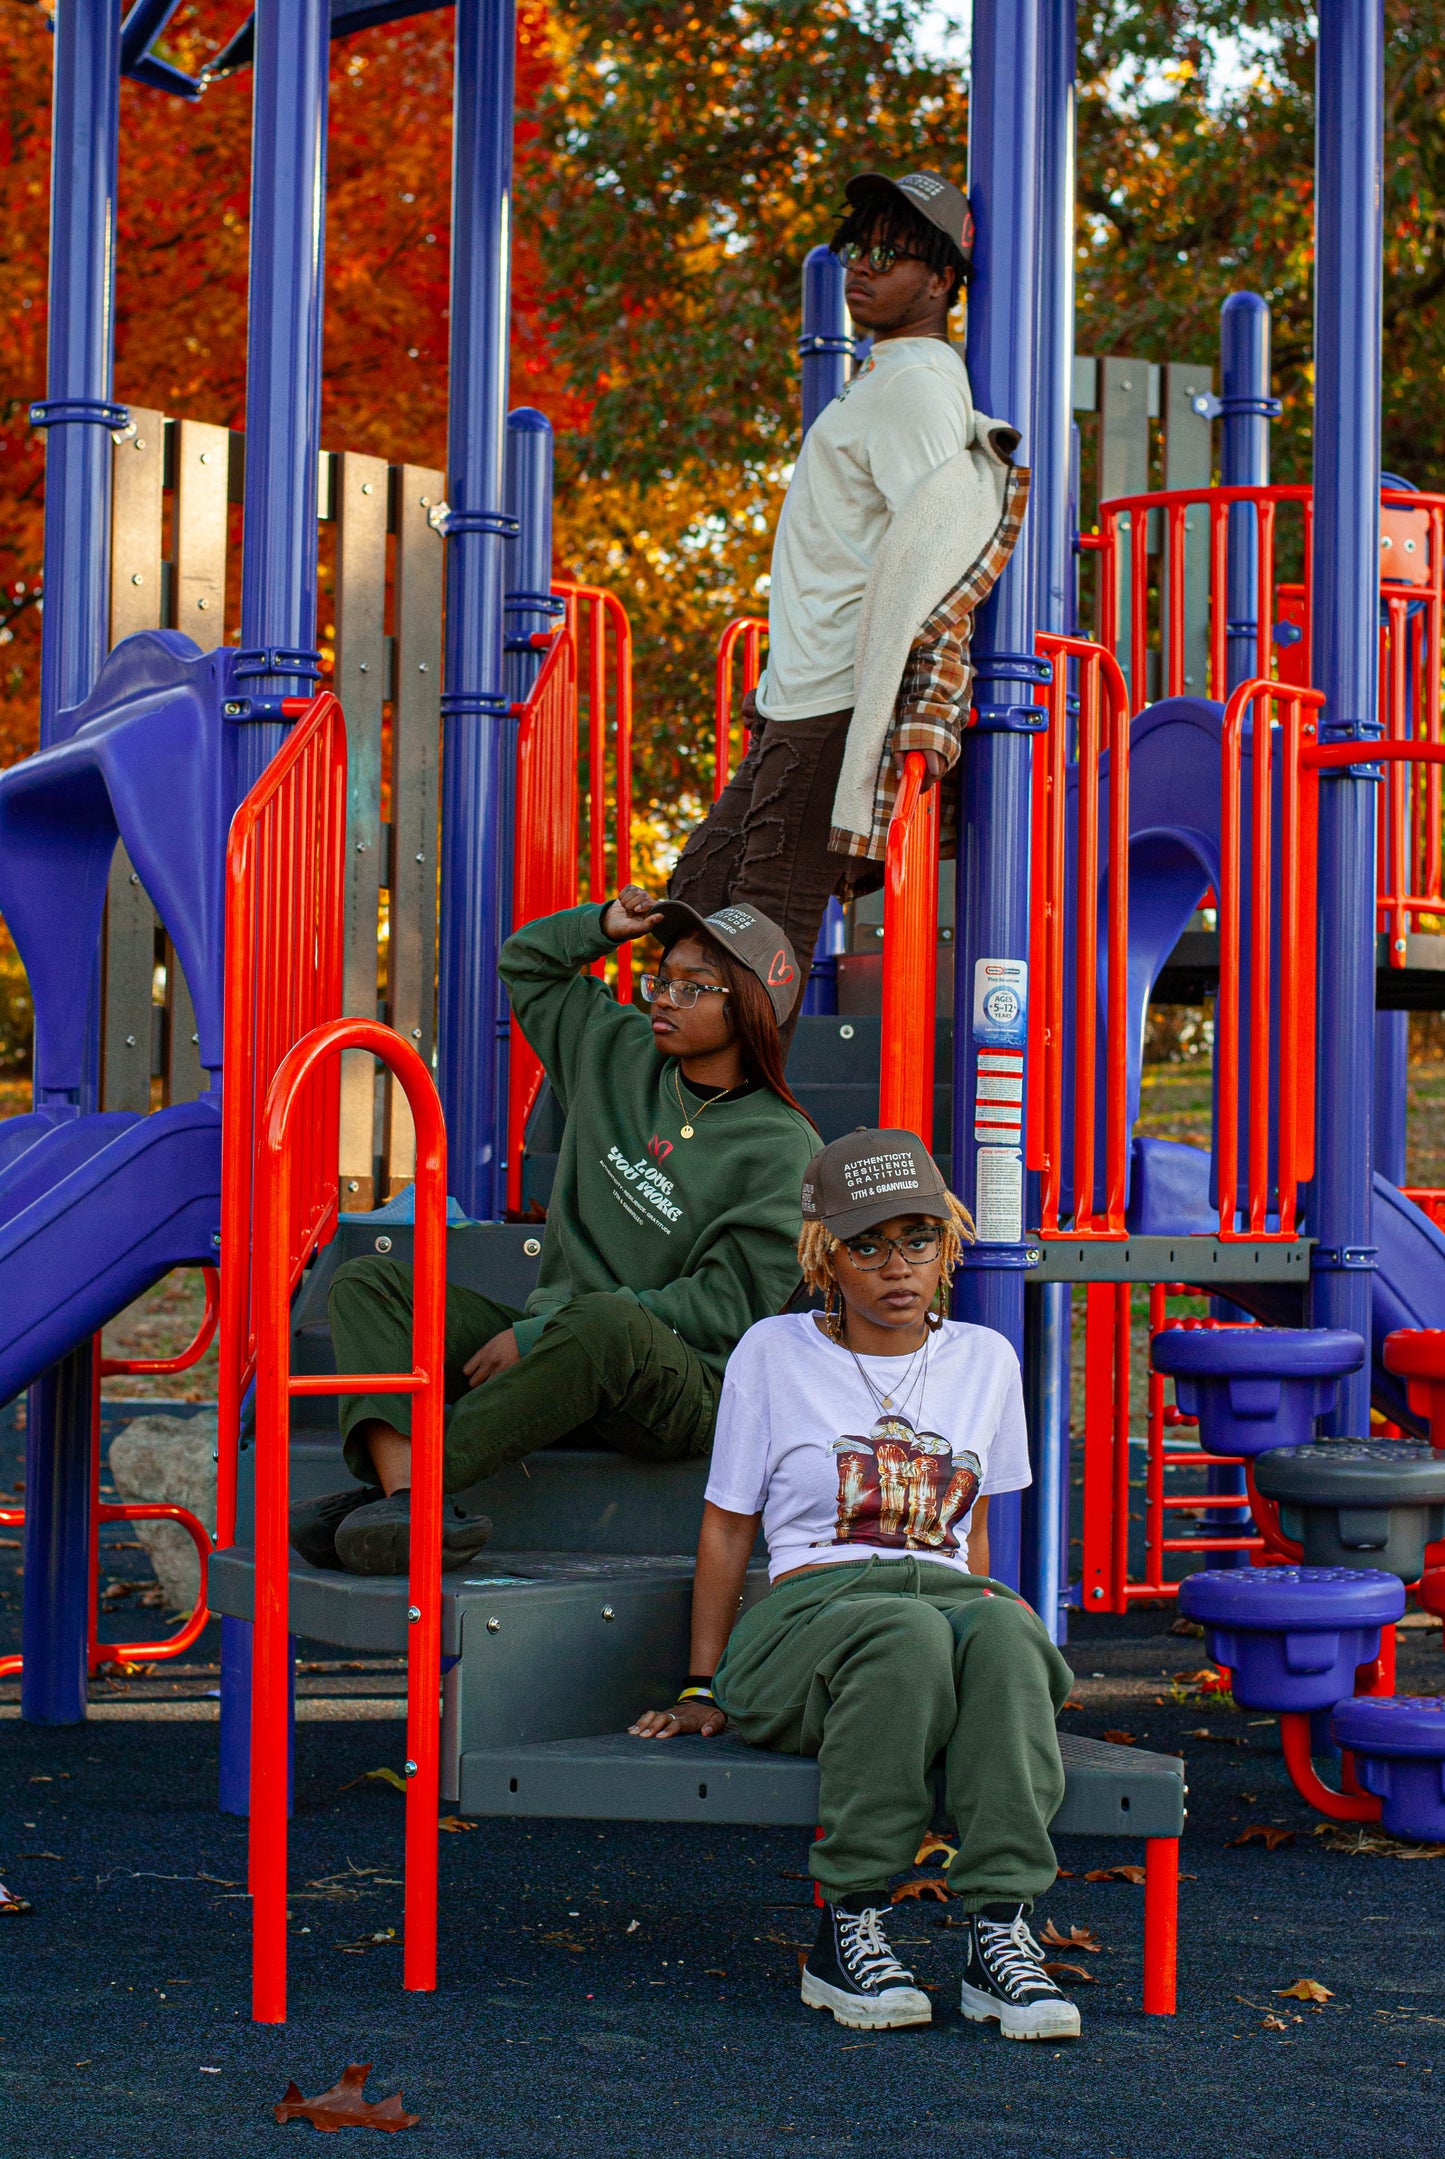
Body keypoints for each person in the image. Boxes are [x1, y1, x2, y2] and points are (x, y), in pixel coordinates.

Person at [629, 1128, 1079, 2042]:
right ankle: (849, 1924)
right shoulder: (772, 1351)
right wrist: (698, 1683)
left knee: (998, 1633)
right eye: (865, 1244)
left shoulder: (986, 1360)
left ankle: (1000, 1931)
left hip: (936, 1602)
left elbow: (975, 1534)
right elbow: (726, 1524)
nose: (894, 1266)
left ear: (947, 1246)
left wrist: (979, 1668)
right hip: (810, 1616)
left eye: (916, 1239)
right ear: (821, 1253)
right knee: (902, 1636)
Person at [289, 888, 817, 1577]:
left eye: (694, 989)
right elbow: (526, 965)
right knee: (371, 1284)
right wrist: (602, 925)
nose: (662, 997)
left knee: (605, 1323)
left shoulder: (785, 1149)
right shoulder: (618, 1051)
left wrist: (537, 1335)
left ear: (748, 1009)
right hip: (561, 1357)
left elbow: (719, 1311)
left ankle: (403, 1497)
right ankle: (407, 1503)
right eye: (662, 977)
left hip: (675, 1383)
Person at [669, 169, 1029, 1036]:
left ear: (940, 280)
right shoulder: (880, 377)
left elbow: (937, 547)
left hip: (833, 703)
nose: (861, 267)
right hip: (795, 700)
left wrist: (902, 704)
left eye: (890, 254)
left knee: (760, 936)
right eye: (855, 248)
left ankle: (751, 1151)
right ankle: (693, 1133)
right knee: (694, 906)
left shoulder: (914, 387)